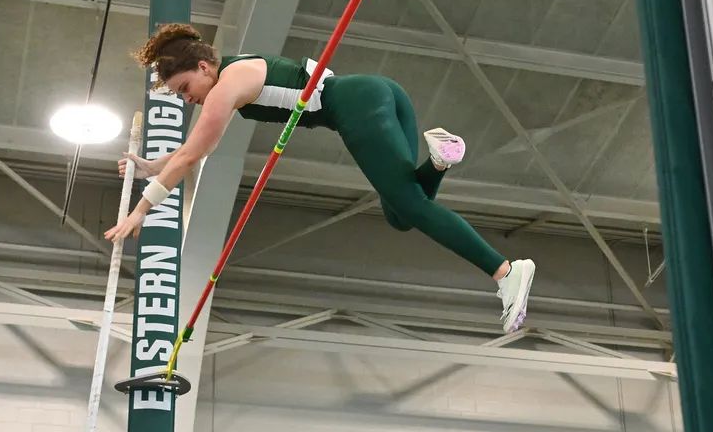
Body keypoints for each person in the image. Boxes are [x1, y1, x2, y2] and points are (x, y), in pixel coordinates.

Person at [104, 23, 537, 332]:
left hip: (353, 107)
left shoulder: (223, 89)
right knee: (401, 215)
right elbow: (184, 153)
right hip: (380, 92)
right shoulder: (234, 75)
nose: (189, 99)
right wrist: (149, 166)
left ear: (202, 68)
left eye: (184, 89)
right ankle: (438, 161)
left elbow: (194, 155)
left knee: (409, 206)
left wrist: (141, 211)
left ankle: (505, 271)